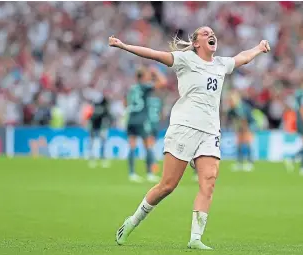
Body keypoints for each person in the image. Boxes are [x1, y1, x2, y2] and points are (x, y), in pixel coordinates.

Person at [109, 26, 270, 250]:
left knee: (209, 181)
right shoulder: (185, 60)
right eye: (205, 33)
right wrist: (124, 46)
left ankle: (195, 238)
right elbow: (154, 54)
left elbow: (241, 58)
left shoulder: (220, 64)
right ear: (195, 43)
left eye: (212, 32)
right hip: (184, 127)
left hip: (211, 131)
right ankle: (131, 222)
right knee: (167, 185)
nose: (211, 34)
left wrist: (259, 48)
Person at [126, 67, 167, 183]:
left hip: (130, 118)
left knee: (132, 145)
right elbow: (163, 83)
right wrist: (157, 72)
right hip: (141, 119)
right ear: (143, 77)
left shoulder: (132, 88)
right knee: (148, 145)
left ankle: (131, 173)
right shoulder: (144, 86)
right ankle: (149, 173)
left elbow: (126, 103)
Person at [227, 92, 255, 172]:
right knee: (239, 145)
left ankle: (250, 163)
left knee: (247, 144)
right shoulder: (232, 109)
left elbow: (245, 120)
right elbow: (231, 119)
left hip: (249, 126)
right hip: (240, 128)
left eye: (230, 100)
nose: (229, 102)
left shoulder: (241, 108)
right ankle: (240, 163)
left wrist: (245, 130)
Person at [87, 95, 113, 168]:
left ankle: (93, 159)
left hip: (95, 128)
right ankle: (101, 159)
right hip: (100, 128)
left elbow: (91, 118)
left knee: (94, 144)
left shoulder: (95, 108)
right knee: (101, 144)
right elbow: (109, 118)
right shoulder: (104, 109)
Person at [146, 87, 164, 175]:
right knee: (151, 146)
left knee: (149, 147)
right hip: (156, 125)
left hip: (148, 124)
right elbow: (161, 115)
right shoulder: (159, 101)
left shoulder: (147, 100)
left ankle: (150, 169)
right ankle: (152, 167)